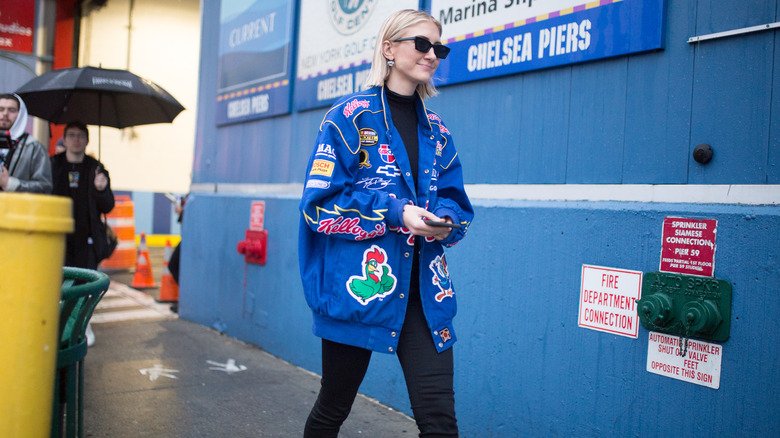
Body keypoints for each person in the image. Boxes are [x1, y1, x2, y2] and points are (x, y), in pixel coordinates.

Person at [298, 9, 474, 437]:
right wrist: (396, 213)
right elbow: (319, 206)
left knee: (440, 421)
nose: (431, 54)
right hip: (359, 289)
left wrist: (445, 221)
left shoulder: (438, 131)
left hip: (424, 295)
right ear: (389, 48)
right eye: (422, 44)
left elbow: (456, 202)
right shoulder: (348, 118)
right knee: (333, 407)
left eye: (439, 48)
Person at [51, 121, 115, 347]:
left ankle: (83, 325)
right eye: (71, 135)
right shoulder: (53, 164)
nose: (76, 139)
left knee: (84, 284)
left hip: (87, 239)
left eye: (80, 135)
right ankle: (60, 327)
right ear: (65, 139)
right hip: (58, 236)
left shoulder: (96, 168)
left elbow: (108, 206)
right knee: (58, 283)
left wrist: (101, 189)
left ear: (87, 140)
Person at [0, 93, 52, 193]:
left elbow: (45, 187)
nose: (5, 114)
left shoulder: (33, 147)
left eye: (11, 110)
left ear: (20, 114)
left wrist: (10, 184)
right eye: (1, 109)